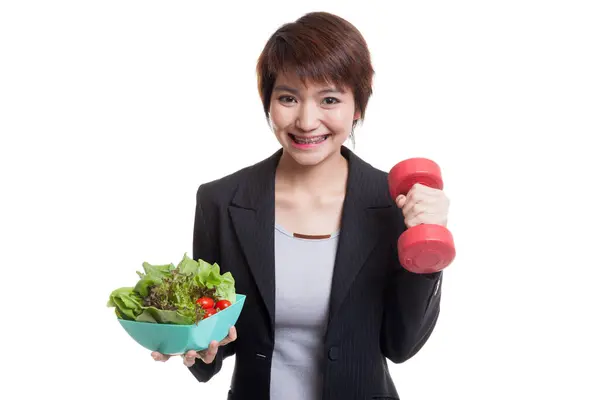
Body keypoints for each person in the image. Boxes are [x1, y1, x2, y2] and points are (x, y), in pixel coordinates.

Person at [152, 11, 450, 400]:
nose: (307, 121)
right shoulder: (221, 201)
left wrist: (427, 253)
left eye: (329, 99)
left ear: (357, 106)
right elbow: (214, 343)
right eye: (288, 98)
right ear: (268, 102)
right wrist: (186, 342)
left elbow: (401, 346)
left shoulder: (395, 203)